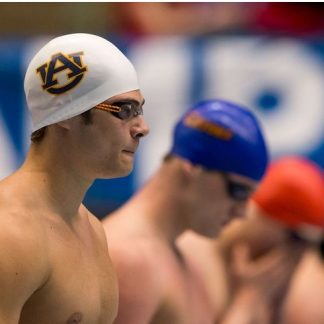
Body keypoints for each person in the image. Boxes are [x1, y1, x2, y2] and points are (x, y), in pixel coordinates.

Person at [0, 33, 149, 324]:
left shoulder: (92, 229)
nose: (143, 127)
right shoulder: (10, 234)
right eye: (124, 110)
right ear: (66, 115)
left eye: (140, 109)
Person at [103, 99, 268, 323]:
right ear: (193, 167)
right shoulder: (132, 259)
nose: (242, 213)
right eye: (238, 191)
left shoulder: (184, 257)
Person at [178, 156, 324, 324]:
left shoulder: (297, 291)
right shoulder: (194, 257)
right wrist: (247, 303)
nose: (297, 255)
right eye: (296, 240)